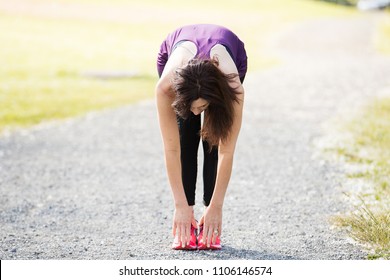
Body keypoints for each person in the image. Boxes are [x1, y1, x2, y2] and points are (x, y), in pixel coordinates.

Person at [155, 24, 247, 250]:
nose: (198, 112)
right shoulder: (166, 87)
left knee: (214, 141)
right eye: (193, 108)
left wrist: (216, 206)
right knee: (185, 138)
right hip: (176, 56)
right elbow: (171, 149)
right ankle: (188, 219)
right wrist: (180, 206)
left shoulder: (232, 87)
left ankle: (208, 221)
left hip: (227, 65)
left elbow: (227, 151)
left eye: (202, 107)